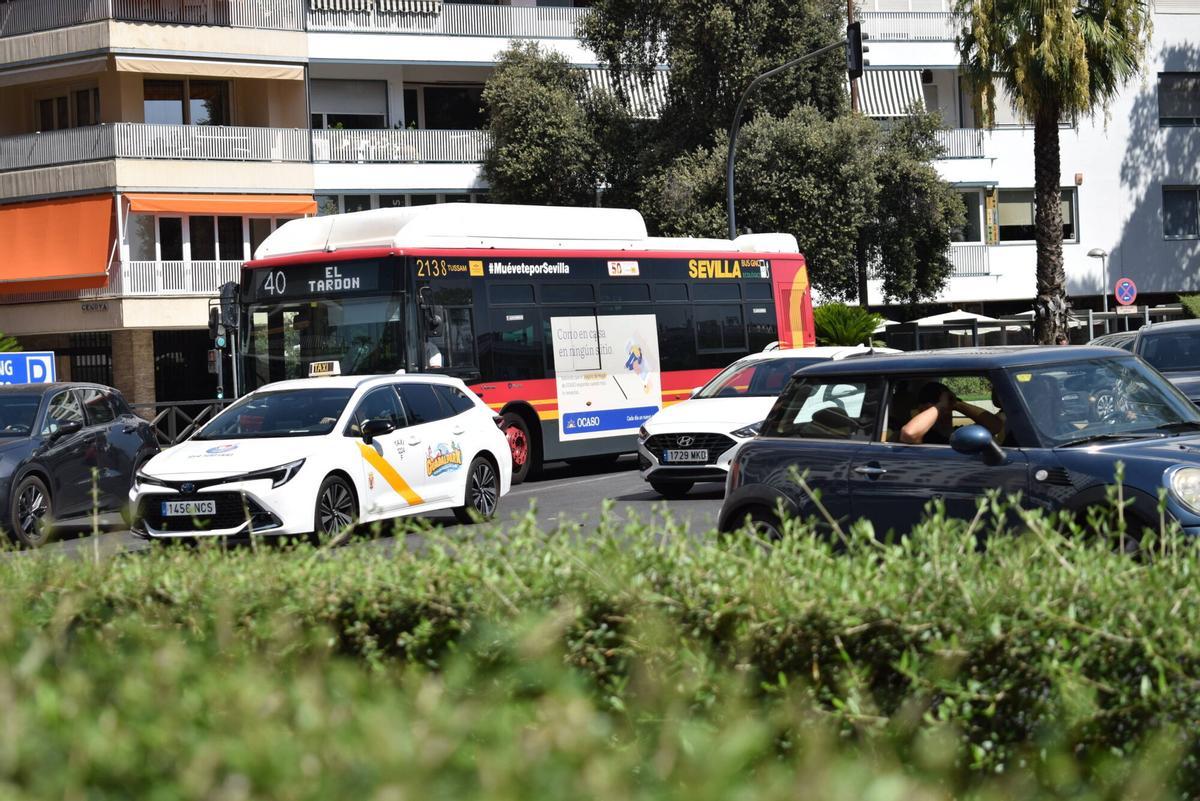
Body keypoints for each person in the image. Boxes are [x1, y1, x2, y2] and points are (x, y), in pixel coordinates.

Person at [900, 381, 1007, 445]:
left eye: (949, 408)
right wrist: (940, 406)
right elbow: (910, 434)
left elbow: (995, 426)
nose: (946, 413)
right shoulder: (925, 436)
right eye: (939, 410)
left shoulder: (960, 434)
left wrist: (956, 404)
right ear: (922, 410)